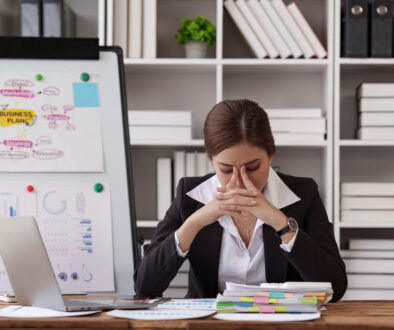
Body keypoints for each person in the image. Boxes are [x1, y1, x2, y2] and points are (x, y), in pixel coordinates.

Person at [134, 99, 347, 302]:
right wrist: (195, 222)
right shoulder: (189, 196)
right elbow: (144, 287)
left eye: (252, 167)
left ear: (271, 155)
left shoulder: (304, 194)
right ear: (211, 160)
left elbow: (335, 288)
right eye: (226, 170)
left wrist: (279, 222)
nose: (240, 180)